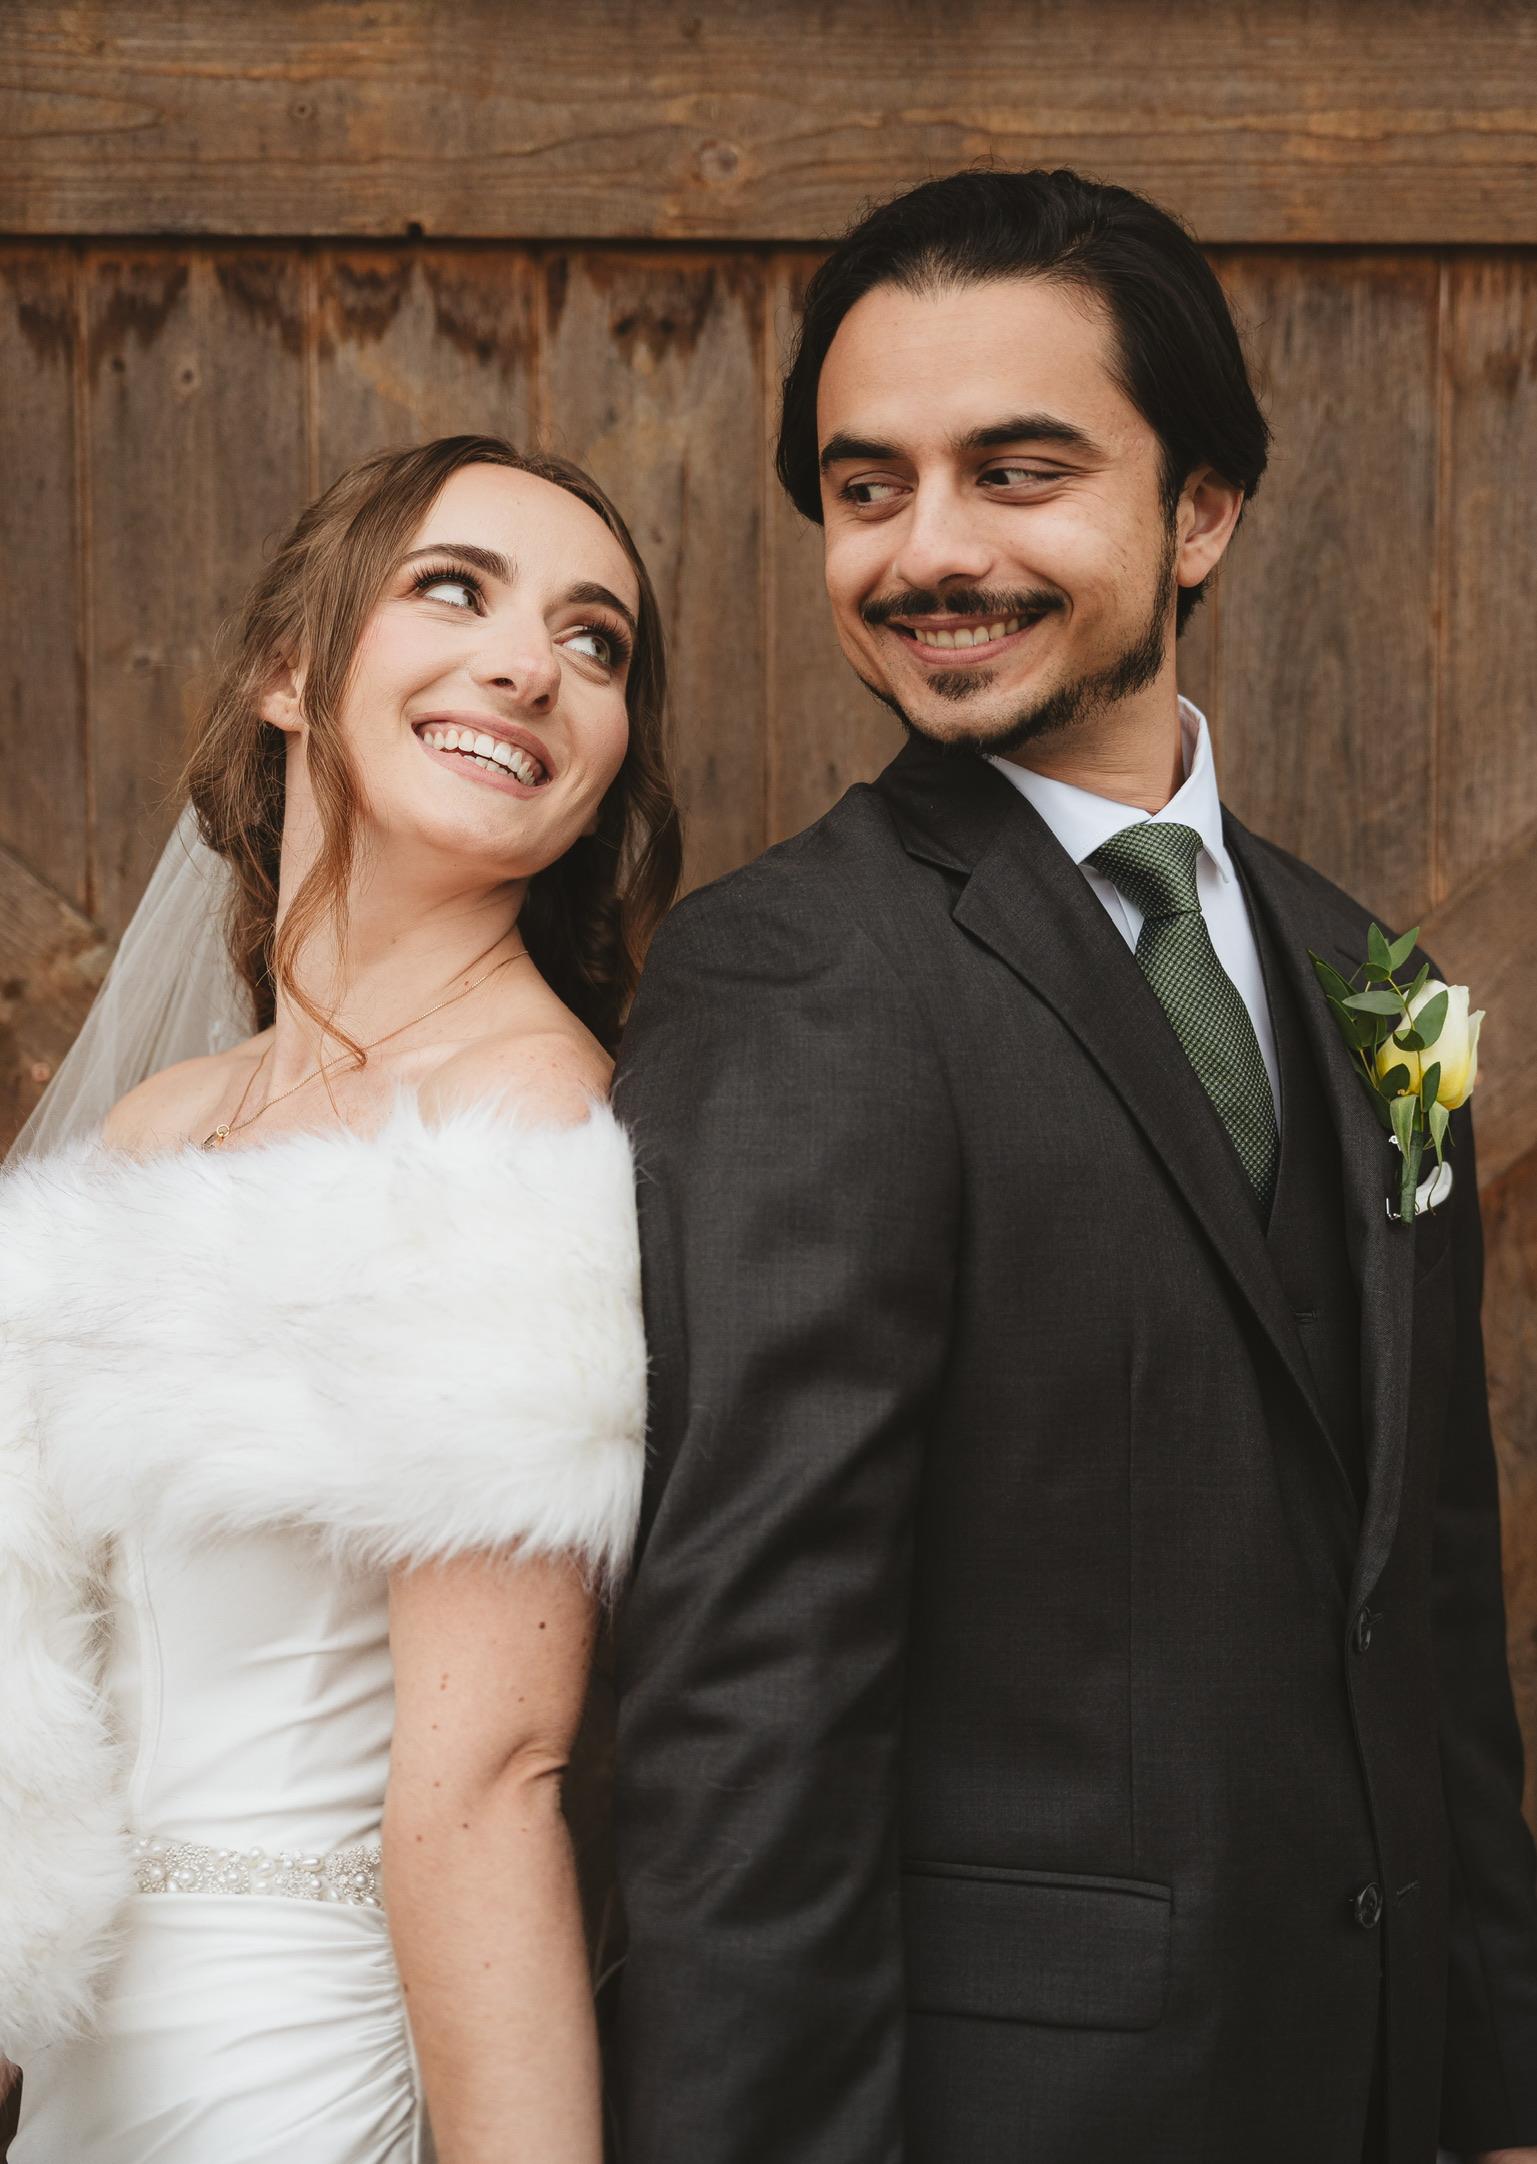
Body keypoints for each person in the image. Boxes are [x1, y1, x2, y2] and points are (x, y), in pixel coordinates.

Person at [610, 170, 1537, 2163]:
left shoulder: (1391, 989)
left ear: (1199, 509)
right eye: (867, 488)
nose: (928, 549)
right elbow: (749, 1694)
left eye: (1015, 472)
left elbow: (1436, 1604)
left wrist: (1498, 2083)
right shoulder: (789, 969)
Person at [0, 433, 680, 2163]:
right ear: (287, 673)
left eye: (594, 642)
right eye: (454, 590)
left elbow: (491, 1779)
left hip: (293, 2054)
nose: (529, 663)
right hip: (74, 2057)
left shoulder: (523, 1123)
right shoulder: (159, 1131)